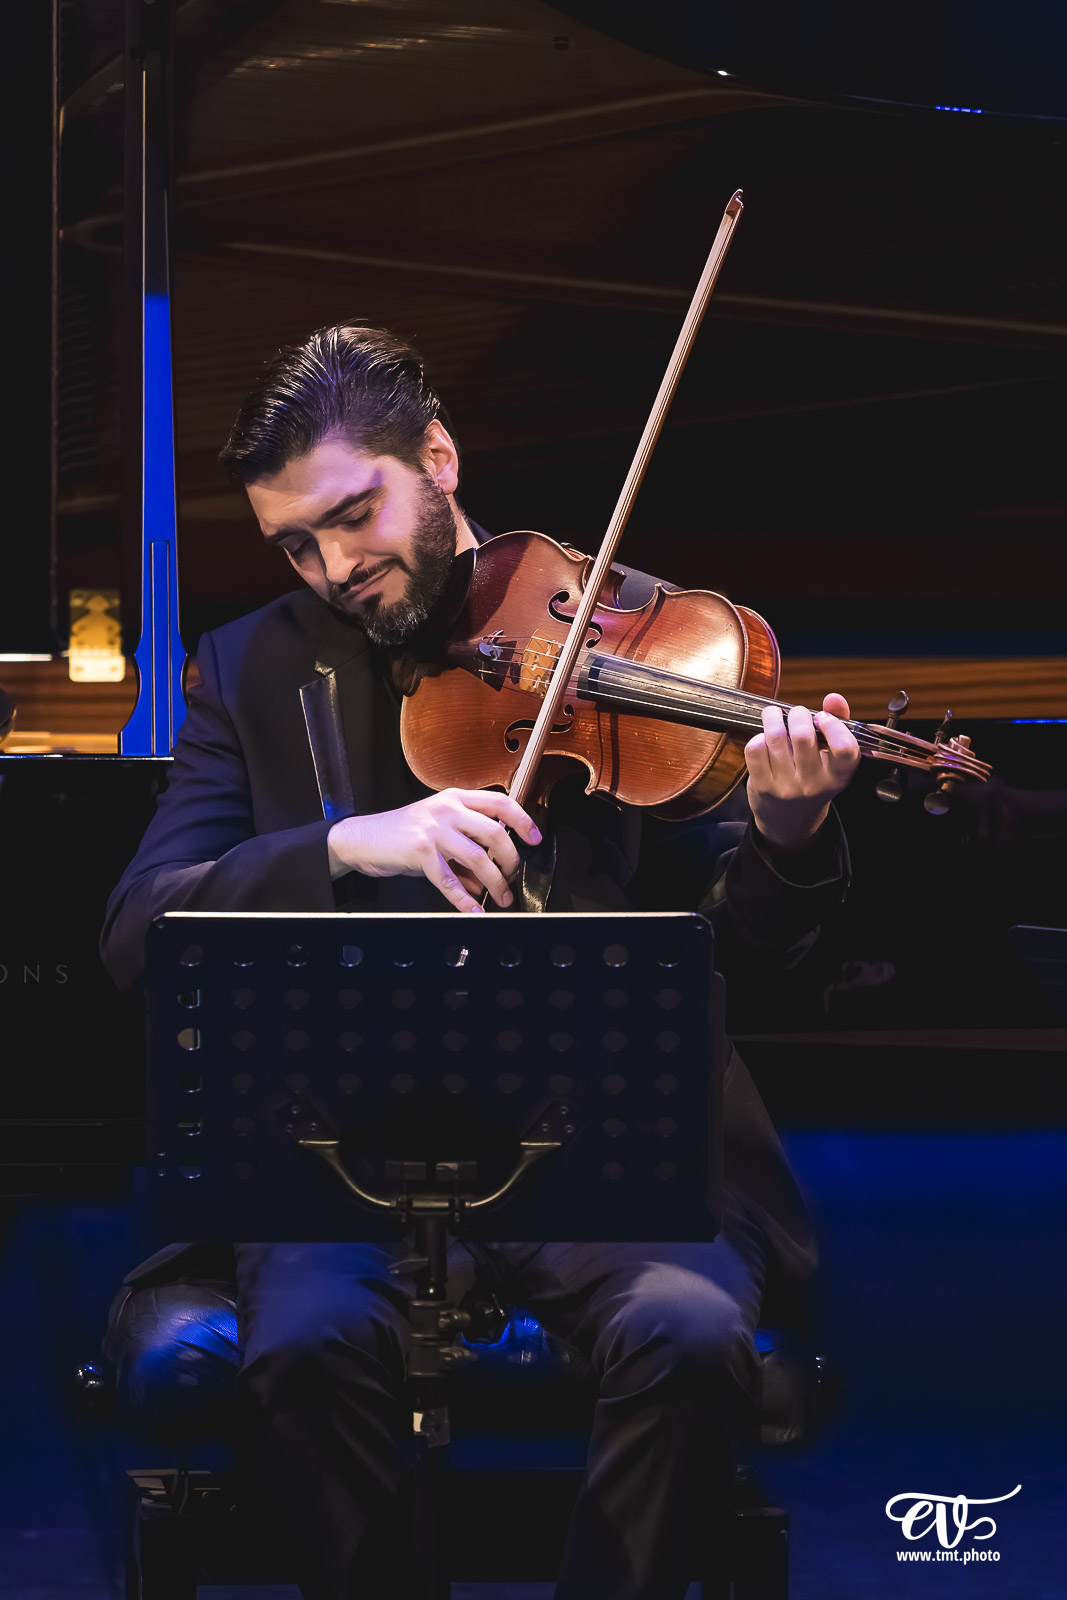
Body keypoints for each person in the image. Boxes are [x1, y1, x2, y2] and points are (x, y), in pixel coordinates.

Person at [101, 324, 859, 1600]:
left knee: (680, 1330)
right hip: (341, 1161)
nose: (333, 566)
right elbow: (140, 932)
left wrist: (786, 839)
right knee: (305, 1340)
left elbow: (742, 961)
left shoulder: (621, 649)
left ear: (437, 459)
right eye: (295, 542)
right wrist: (350, 842)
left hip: (607, 1156)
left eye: (355, 514)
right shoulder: (246, 669)